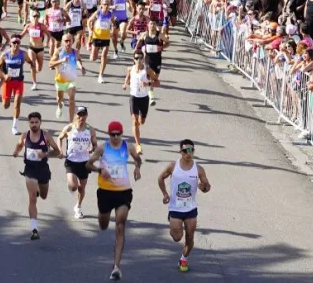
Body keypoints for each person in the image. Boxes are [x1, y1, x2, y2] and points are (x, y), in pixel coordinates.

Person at [86, 121, 143, 281]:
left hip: (123, 192)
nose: (116, 137)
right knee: (104, 224)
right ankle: (102, 216)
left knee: (120, 225)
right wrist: (99, 169)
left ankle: (116, 266)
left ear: (122, 134)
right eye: (113, 134)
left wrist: (137, 168)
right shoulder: (103, 148)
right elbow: (88, 164)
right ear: (109, 134)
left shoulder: (128, 147)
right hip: (105, 192)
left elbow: (138, 159)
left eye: (118, 134)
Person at [157, 139, 211, 273]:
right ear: (181, 152)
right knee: (177, 237)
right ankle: (173, 223)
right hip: (175, 207)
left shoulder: (198, 169)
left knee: (190, 237)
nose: (189, 153)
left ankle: (184, 258)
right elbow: (160, 178)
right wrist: (164, 194)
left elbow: (207, 187)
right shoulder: (173, 166)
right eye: (186, 150)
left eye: (191, 150)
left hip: (191, 208)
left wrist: (204, 187)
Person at [12, 111, 63, 240]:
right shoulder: (24, 136)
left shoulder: (46, 137)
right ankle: (34, 229)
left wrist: (45, 154)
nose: (34, 124)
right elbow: (19, 146)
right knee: (32, 198)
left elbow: (57, 152)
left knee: (44, 196)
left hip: (43, 169)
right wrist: (16, 152)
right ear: (29, 123)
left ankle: (40, 189)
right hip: (29, 170)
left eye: (36, 122)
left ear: (40, 122)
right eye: (32, 122)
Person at [58, 106, 97, 220]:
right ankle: (71, 185)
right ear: (75, 116)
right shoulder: (69, 128)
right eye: (79, 115)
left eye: (83, 115)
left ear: (86, 116)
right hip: (71, 161)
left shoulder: (90, 130)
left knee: (81, 187)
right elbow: (59, 138)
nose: (81, 118)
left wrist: (92, 148)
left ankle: (78, 206)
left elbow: (95, 144)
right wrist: (60, 150)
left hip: (84, 162)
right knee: (74, 186)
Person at [123, 53, 157, 155]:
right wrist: (125, 84)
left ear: (143, 59)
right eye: (136, 58)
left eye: (140, 58)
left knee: (141, 121)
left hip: (144, 98)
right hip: (133, 97)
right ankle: (138, 145)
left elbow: (158, 82)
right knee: (134, 122)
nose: (138, 60)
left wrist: (148, 84)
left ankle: (141, 121)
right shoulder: (130, 69)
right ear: (133, 59)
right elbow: (128, 78)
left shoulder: (147, 70)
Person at [49, 34, 85, 121]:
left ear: (73, 41)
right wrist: (61, 60)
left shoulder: (75, 52)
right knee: (59, 99)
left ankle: (71, 122)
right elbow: (50, 64)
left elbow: (78, 60)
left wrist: (81, 67)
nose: (68, 43)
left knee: (72, 100)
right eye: (66, 41)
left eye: (70, 41)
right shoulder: (58, 51)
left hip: (71, 80)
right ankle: (59, 106)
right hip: (60, 80)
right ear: (62, 41)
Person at [0, 36, 27, 135]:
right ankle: (6, 99)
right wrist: (4, 75)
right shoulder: (5, 54)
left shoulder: (23, 54)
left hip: (18, 82)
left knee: (17, 104)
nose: (16, 45)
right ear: (10, 44)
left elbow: (30, 61)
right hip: (7, 83)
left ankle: (14, 126)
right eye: (14, 43)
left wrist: (33, 65)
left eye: (18, 43)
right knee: (6, 105)